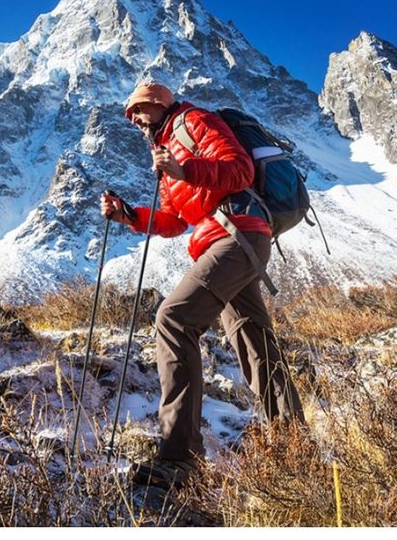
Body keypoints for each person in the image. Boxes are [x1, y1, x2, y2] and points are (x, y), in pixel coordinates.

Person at [101, 82, 304, 489]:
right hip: (229, 240)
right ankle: (296, 449)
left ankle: (179, 459)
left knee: (174, 319)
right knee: (254, 342)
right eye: (131, 116)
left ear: (159, 104)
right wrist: (130, 216)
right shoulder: (164, 153)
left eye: (139, 111)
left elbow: (239, 170)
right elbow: (176, 220)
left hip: (237, 234)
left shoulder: (195, 122)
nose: (136, 121)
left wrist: (185, 168)